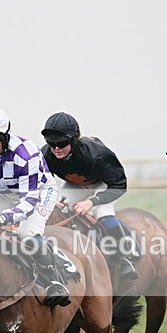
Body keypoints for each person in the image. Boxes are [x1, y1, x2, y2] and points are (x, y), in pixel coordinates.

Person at [0, 105, 70, 307]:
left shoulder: (26, 154)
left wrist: (3, 219)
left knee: (26, 234)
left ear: (4, 137)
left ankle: (55, 281)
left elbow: (28, 202)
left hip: (39, 193)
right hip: (3, 192)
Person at [40, 112, 138, 279]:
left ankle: (125, 256)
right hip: (76, 184)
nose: (56, 148)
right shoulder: (47, 154)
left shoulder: (98, 154)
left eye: (62, 143)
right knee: (53, 210)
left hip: (104, 183)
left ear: (74, 139)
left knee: (102, 213)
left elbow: (120, 185)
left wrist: (92, 202)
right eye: (51, 143)